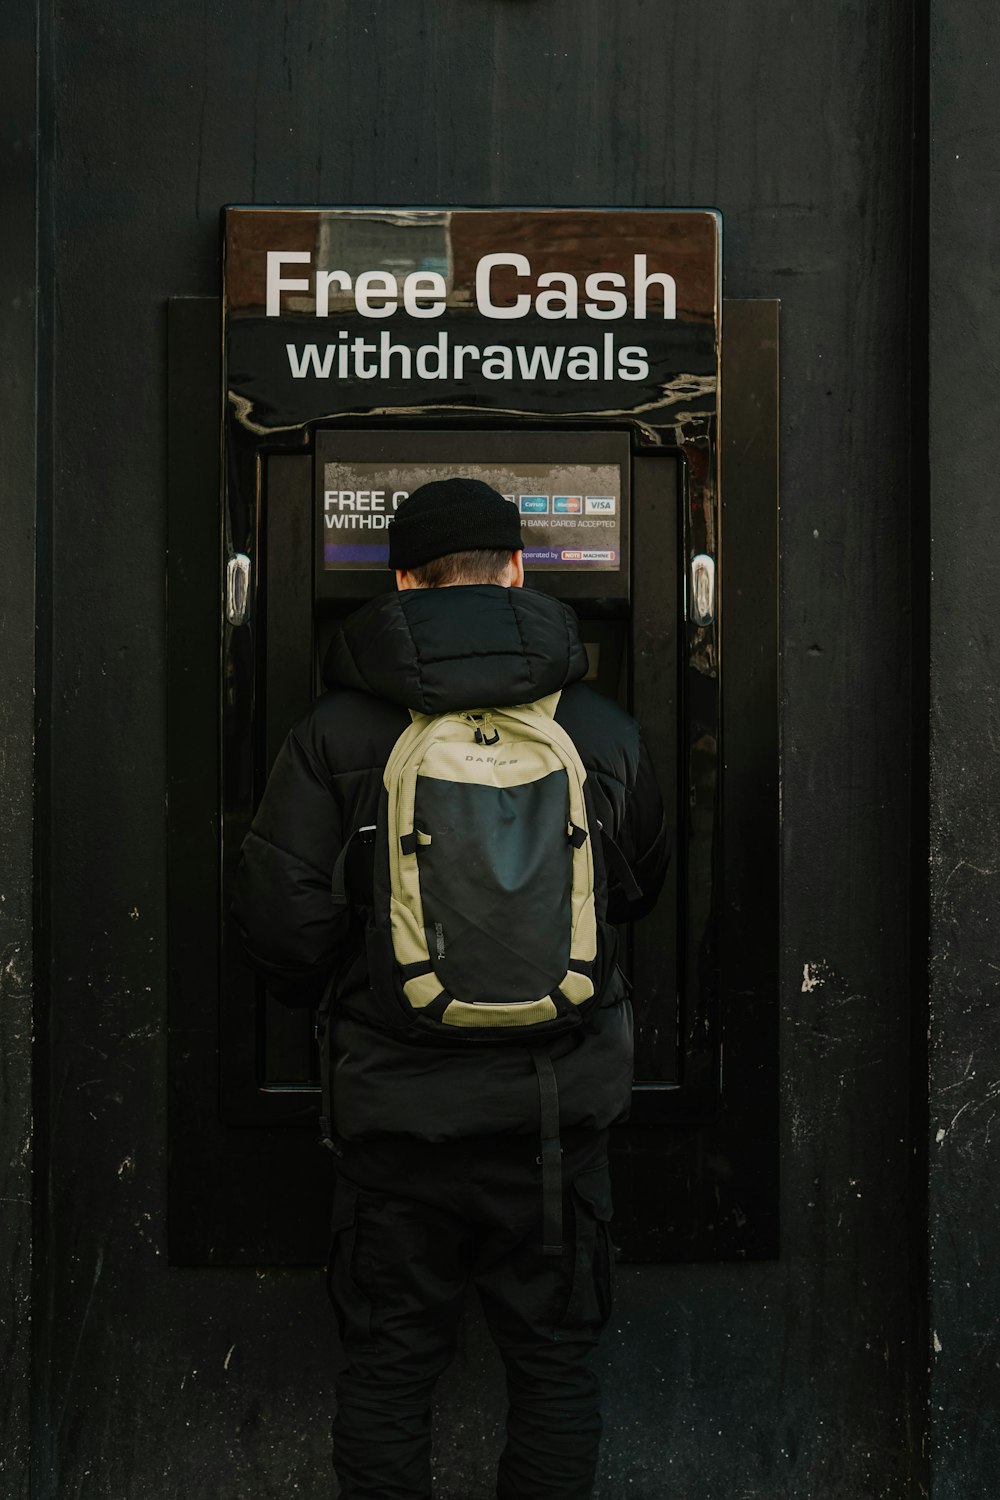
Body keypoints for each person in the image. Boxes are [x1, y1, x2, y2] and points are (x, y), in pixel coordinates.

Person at [232, 477, 669, 1500]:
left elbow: (283, 935)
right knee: (555, 1372)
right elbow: (638, 896)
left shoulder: (336, 733)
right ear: (515, 570)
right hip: (555, 1126)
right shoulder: (601, 731)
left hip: (396, 1124)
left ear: (400, 582)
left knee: (390, 1373)